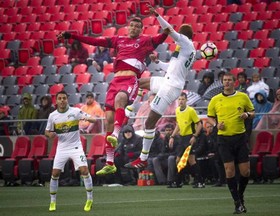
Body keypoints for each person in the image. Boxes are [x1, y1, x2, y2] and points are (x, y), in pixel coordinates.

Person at [58, 14, 168, 176]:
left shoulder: (144, 41)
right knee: (108, 120)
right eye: (132, 26)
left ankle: (117, 134)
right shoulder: (119, 40)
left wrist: (167, 29)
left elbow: (160, 38)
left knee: (120, 100)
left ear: (141, 30)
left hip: (130, 79)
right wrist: (72, 36)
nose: (134, 28)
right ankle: (110, 162)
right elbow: (94, 41)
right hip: (115, 81)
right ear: (128, 27)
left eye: (138, 27)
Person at [124, 5, 196, 169]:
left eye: (179, 34)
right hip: (168, 81)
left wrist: (157, 15)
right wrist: (157, 62)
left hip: (170, 87)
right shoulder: (186, 51)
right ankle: (129, 108)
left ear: (183, 36)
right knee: (137, 82)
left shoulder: (185, 42)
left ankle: (142, 158)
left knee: (149, 124)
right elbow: (171, 68)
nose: (176, 37)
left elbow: (169, 30)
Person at [207, 72, 255, 214]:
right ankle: (237, 203)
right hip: (223, 139)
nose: (227, 82)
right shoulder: (215, 99)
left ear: (234, 82)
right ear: (222, 82)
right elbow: (209, 117)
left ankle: (240, 196)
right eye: (224, 80)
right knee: (229, 170)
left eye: (229, 80)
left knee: (245, 172)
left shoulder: (243, 96)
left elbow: (252, 112)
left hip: (240, 137)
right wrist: (216, 125)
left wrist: (247, 115)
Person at [45, 91, 97, 212]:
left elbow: (94, 120)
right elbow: (47, 131)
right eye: (60, 98)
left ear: (67, 99)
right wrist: (50, 134)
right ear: (56, 101)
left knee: (84, 170)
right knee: (55, 173)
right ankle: (52, 202)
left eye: (64, 98)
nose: (62, 100)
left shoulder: (75, 111)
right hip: (62, 148)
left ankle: (90, 199)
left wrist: (86, 117)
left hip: (76, 147)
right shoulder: (53, 116)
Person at [167, 93, 203, 188]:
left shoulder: (191, 110)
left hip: (190, 137)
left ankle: (199, 181)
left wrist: (194, 136)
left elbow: (199, 124)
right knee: (179, 160)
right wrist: (172, 136)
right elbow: (179, 124)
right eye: (179, 99)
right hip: (182, 138)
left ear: (186, 100)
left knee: (191, 160)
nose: (181, 101)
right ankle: (179, 181)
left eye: (183, 99)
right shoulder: (177, 110)